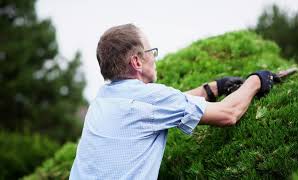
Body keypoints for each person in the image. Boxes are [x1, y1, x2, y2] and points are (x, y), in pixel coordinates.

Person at [69, 24, 279, 179]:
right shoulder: (151, 100)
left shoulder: (102, 99)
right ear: (136, 61)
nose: (155, 58)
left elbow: (164, 105)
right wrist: (257, 80)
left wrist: (213, 88)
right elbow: (228, 113)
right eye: (151, 52)